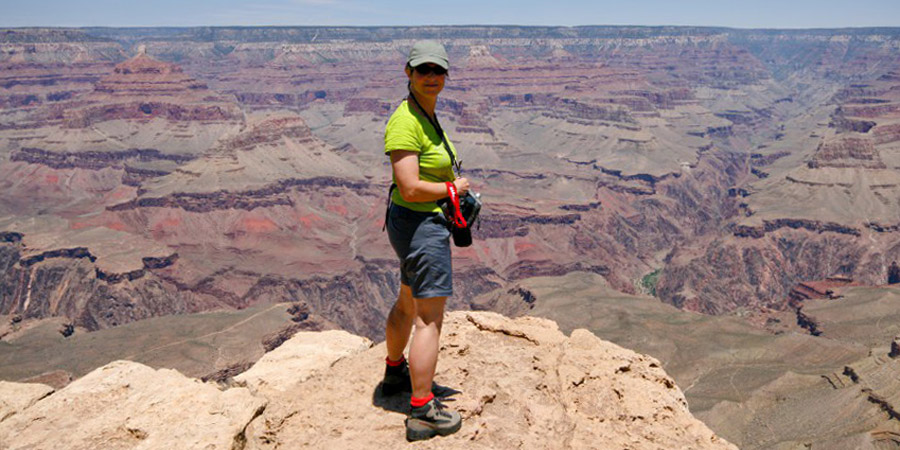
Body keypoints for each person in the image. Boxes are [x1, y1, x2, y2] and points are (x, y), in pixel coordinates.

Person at [381, 40, 469, 442]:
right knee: (428, 318)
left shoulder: (424, 112)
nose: (432, 77)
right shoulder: (405, 121)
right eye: (423, 70)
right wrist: (453, 188)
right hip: (420, 225)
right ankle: (421, 410)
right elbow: (411, 187)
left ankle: (395, 371)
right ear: (408, 73)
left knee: (405, 300)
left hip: (412, 223)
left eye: (438, 71)